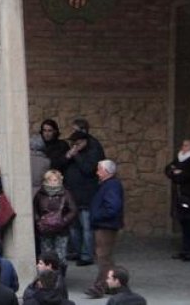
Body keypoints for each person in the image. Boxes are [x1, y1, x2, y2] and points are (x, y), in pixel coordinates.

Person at [63, 125, 105, 267]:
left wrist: (76, 155)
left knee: (87, 227)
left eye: (78, 143)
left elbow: (88, 169)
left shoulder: (93, 151)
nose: (75, 146)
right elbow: (62, 167)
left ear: (85, 141)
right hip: (73, 195)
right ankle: (76, 251)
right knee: (74, 227)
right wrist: (67, 157)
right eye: (73, 144)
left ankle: (87, 255)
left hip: (87, 195)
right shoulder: (73, 153)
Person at [85, 160, 125, 299]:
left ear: (107, 171)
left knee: (103, 257)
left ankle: (99, 286)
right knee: (105, 257)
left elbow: (113, 207)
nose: (97, 172)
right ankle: (114, 284)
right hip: (104, 225)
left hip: (106, 226)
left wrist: (97, 216)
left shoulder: (111, 185)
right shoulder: (108, 185)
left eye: (99, 169)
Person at [165, 138, 190, 261]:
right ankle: (184, 249)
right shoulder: (180, 158)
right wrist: (174, 172)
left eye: (186, 145)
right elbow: (168, 169)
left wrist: (177, 173)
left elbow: (184, 176)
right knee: (184, 223)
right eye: (183, 145)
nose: (183, 147)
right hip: (180, 195)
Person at [33, 169, 77, 265]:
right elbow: (34, 209)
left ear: (59, 181)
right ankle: (48, 276)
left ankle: (60, 277)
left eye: (55, 180)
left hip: (61, 229)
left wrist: (64, 220)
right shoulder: (40, 194)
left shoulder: (66, 194)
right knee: (46, 255)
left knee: (61, 256)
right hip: (45, 229)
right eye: (50, 180)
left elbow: (73, 210)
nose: (52, 182)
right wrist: (38, 221)